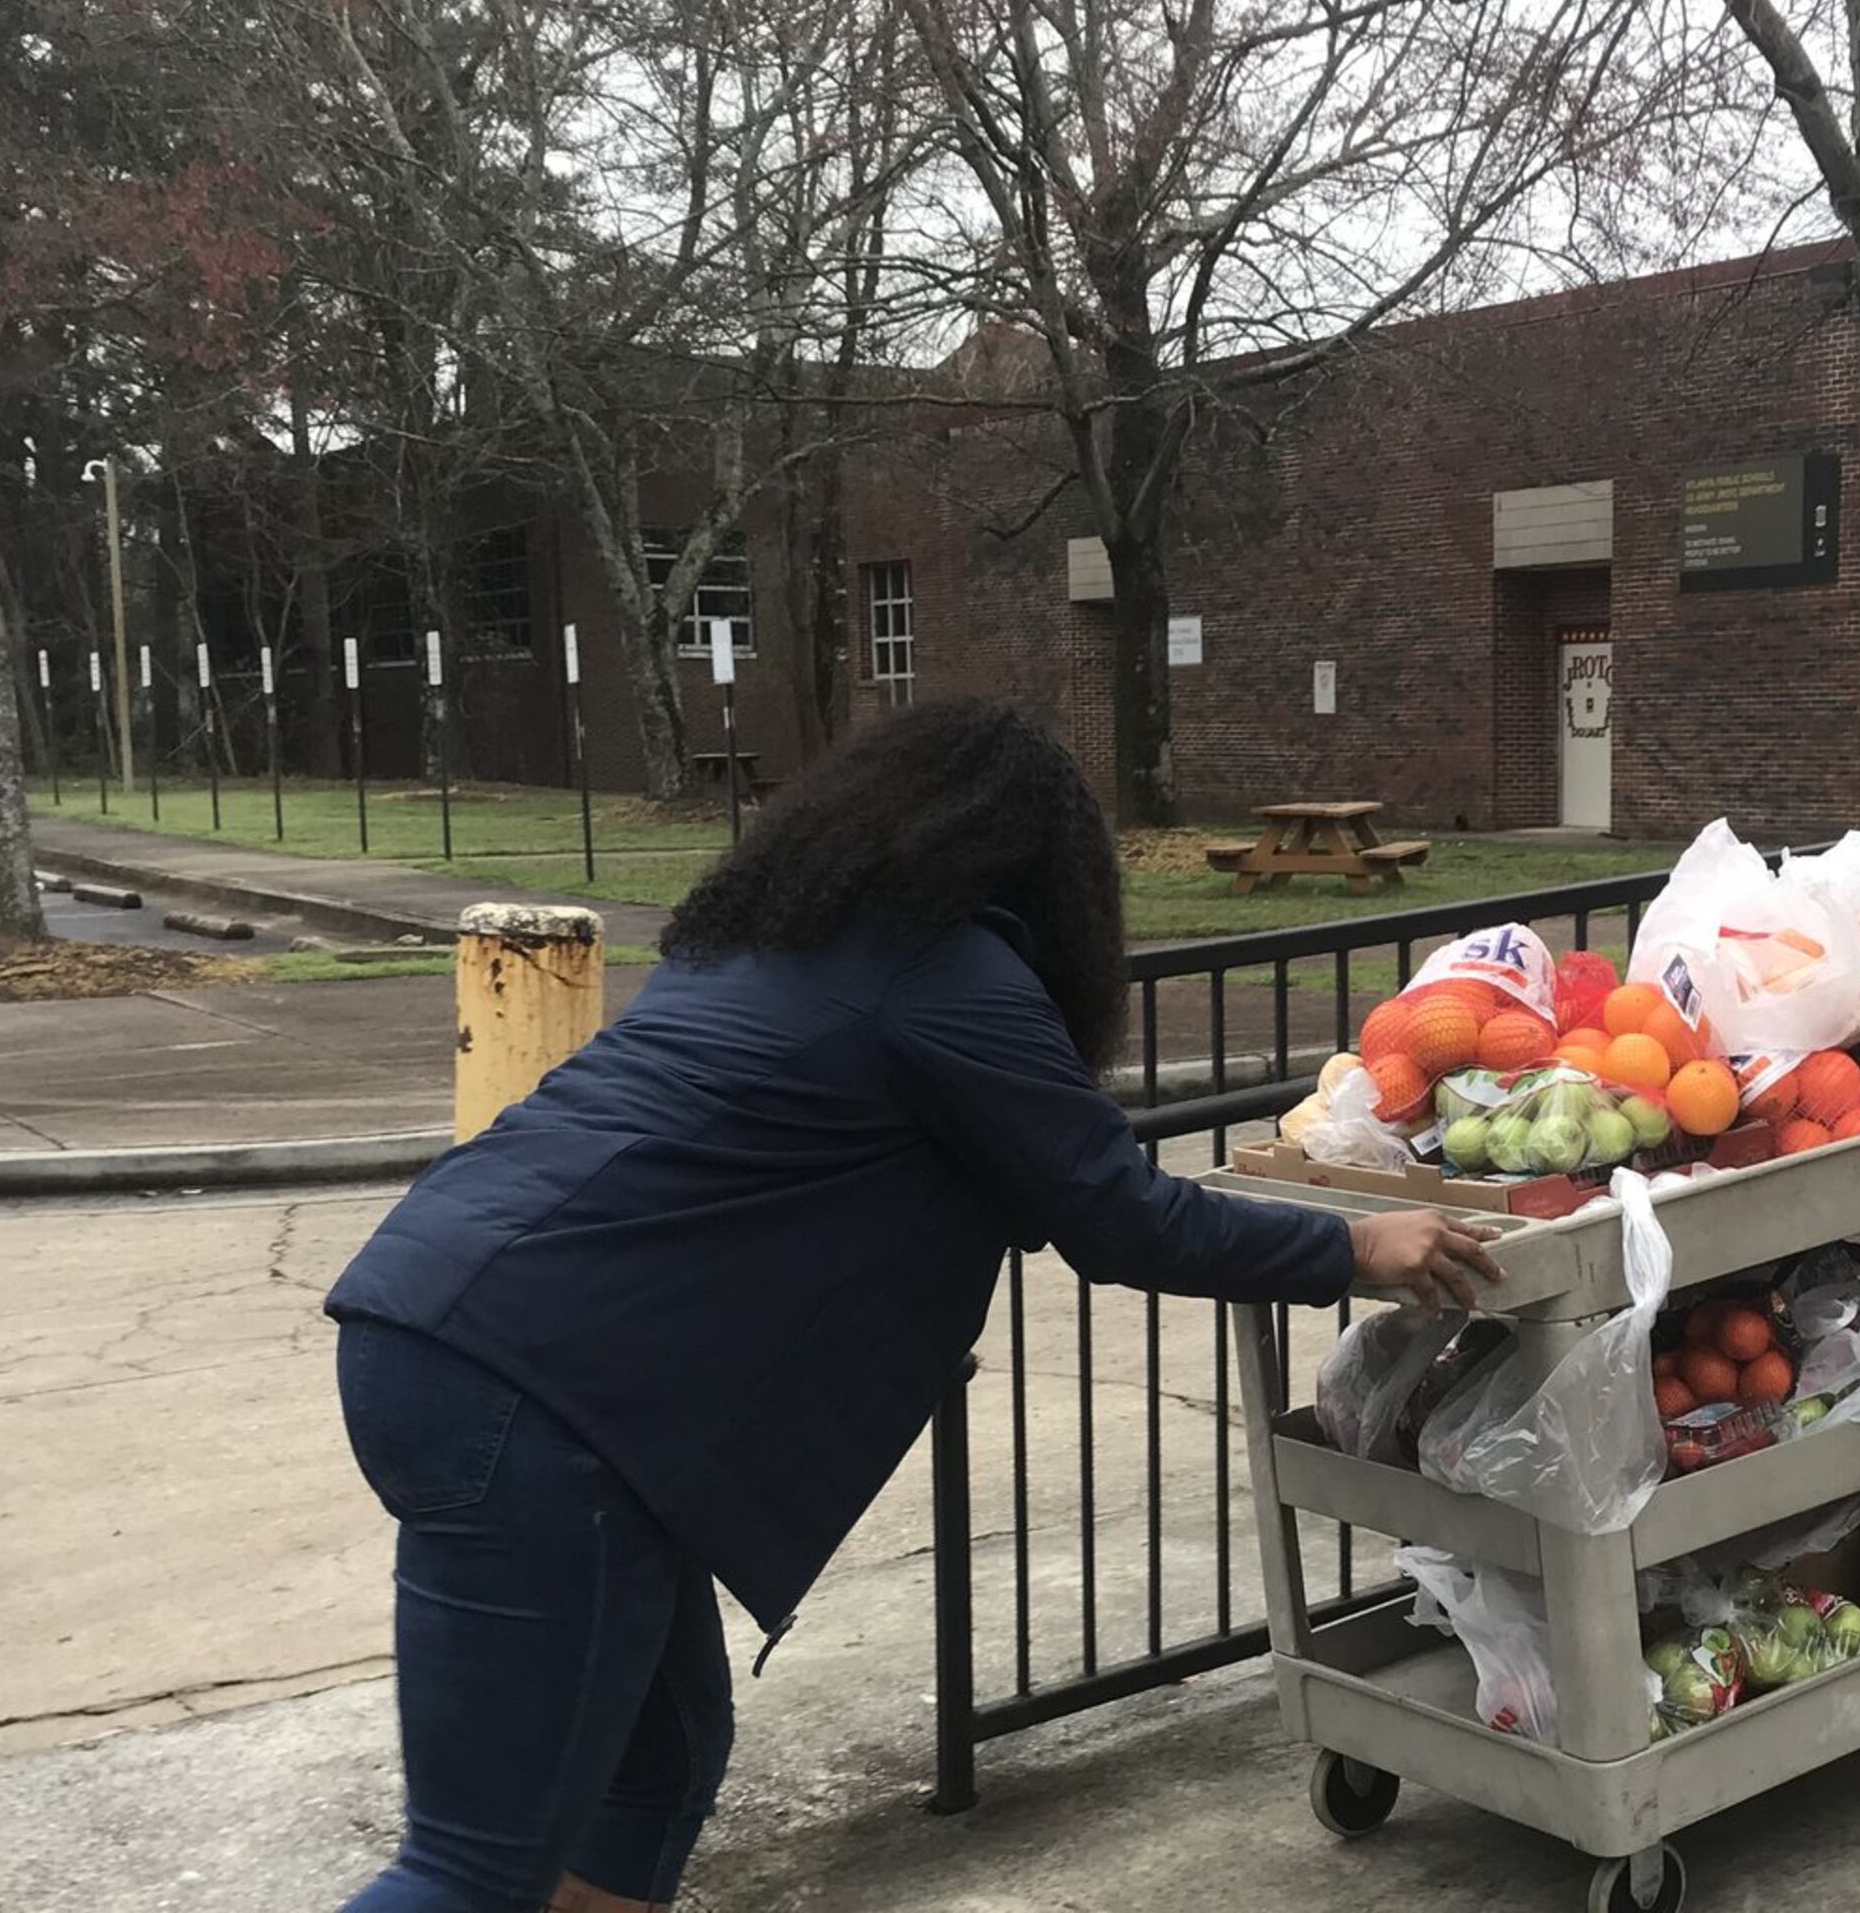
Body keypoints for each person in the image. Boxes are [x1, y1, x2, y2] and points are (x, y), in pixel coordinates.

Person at [321, 698, 1502, 1912]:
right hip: (537, 1397)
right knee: (473, 1869)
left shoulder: (768, 941)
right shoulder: (948, 976)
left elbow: (799, 1181)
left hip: (468, 1340)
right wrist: (1357, 1241)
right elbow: (1121, 1216)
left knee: (656, 1771)